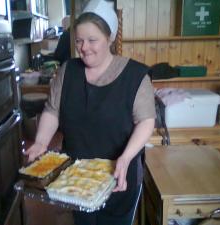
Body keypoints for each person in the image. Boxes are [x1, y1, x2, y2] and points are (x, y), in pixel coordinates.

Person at [25, 0, 156, 224]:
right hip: (76, 178)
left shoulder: (135, 76)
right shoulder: (68, 71)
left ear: (110, 38)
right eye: (79, 40)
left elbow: (146, 121)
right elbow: (52, 110)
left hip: (118, 176)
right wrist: (40, 142)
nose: (84, 48)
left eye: (92, 40)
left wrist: (125, 158)